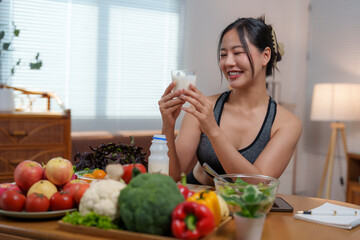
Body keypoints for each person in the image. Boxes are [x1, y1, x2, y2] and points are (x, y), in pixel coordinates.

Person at [158, 16, 302, 185]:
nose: (228, 62)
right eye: (223, 54)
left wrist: (212, 129)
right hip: (200, 202)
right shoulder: (203, 107)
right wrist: (168, 125)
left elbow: (255, 184)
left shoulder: (287, 123)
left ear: (266, 56)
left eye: (238, 52)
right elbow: (172, 176)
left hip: (245, 209)